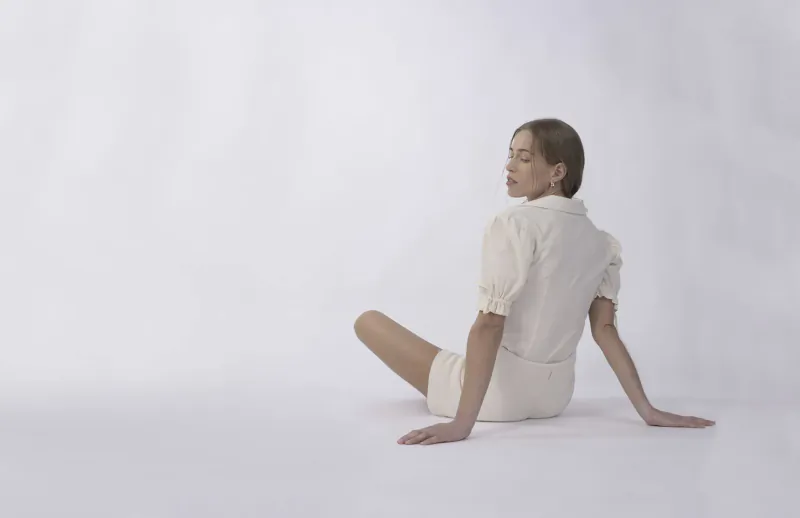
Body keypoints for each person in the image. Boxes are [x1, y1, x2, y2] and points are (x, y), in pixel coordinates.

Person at [354, 118, 715, 446]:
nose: (509, 166)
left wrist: (462, 424)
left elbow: (490, 324)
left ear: (558, 171)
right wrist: (648, 411)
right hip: (555, 397)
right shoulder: (602, 243)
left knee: (368, 321)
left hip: (498, 396)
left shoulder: (515, 224)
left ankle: (465, 400)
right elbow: (605, 330)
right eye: (510, 154)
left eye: (524, 158)